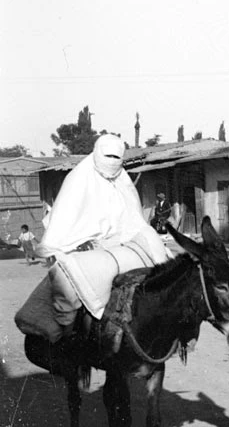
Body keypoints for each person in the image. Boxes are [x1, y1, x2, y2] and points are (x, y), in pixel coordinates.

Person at [25, 134, 170, 340]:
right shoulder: (77, 180)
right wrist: (83, 243)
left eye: (116, 158)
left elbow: (133, 218)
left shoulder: (122, 180)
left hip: (121, 244)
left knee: (163, 261)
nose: (112, 162)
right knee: (69, 288)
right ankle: (67, 336)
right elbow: (64, 224)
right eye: (107, 156)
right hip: (83, 246)